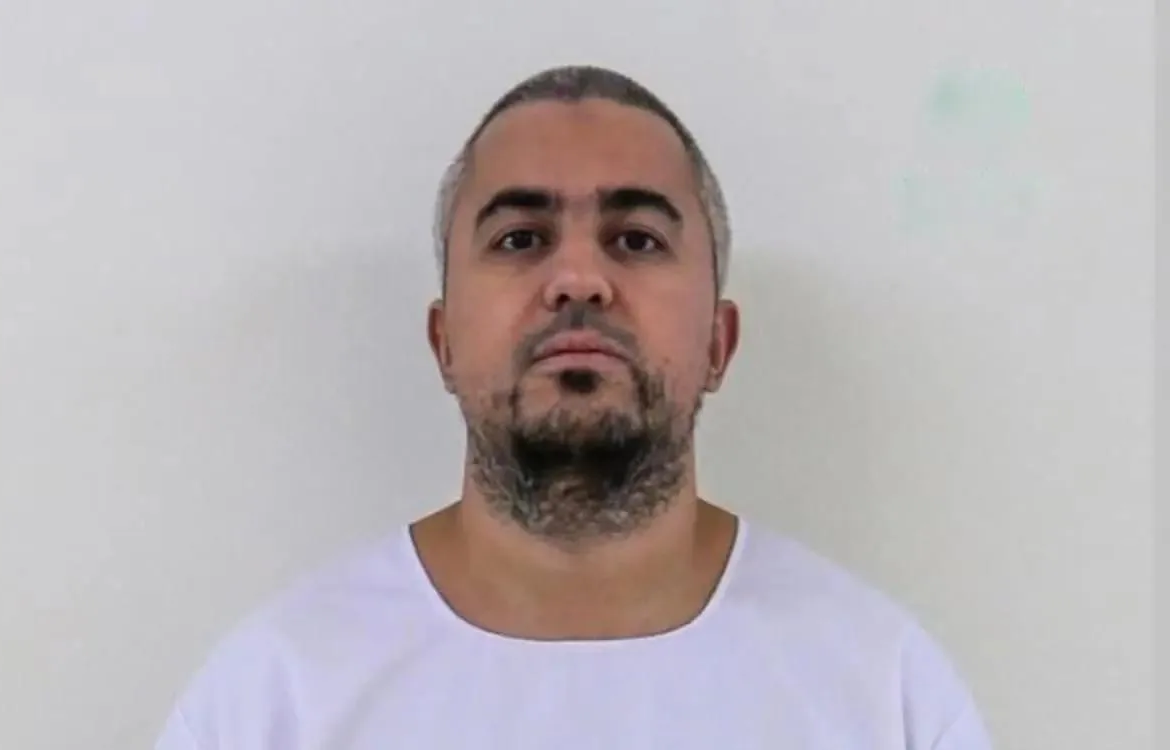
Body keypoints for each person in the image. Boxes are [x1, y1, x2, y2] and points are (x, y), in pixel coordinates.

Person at [154, 64, 993, 749]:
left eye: (637, 240)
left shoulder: (885, 696)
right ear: (444, 342)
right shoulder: (273, 701)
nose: (579, 279)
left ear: (718, 342)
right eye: (520, 238)